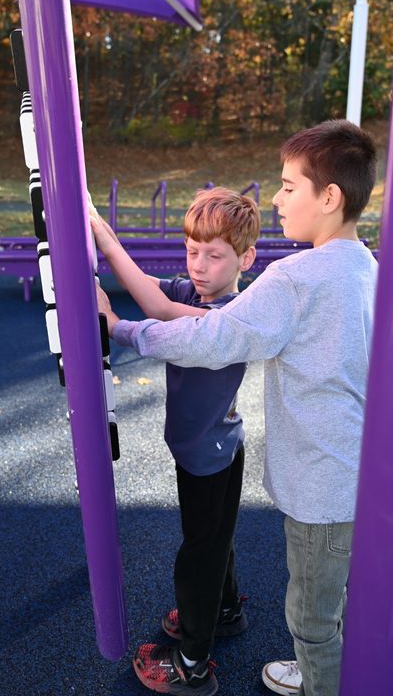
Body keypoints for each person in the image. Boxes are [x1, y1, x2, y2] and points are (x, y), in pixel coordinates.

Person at [96, 119, 378, 696]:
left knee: (312, 615)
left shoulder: (295, 278)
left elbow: (213, 339)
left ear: (330, 197)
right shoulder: (363, 267)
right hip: (352, 467)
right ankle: (320, 662)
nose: (276, 198)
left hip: (324, 478)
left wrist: (124, 330)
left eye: (288, 186)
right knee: (327, 595)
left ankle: (322, 676)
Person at [90, 187, 261, 696]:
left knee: (199, 556)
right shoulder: (191, 293)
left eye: (215, 255)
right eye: (192, 251)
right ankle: (225, 611)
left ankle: (192, 662)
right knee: (216, 542)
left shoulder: (229, 318)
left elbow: (158, 315)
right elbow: (149, 289)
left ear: (245, 258)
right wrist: (100, 231)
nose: (200, 265)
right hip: (213, 447)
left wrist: (116, 326)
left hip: (210, 456)